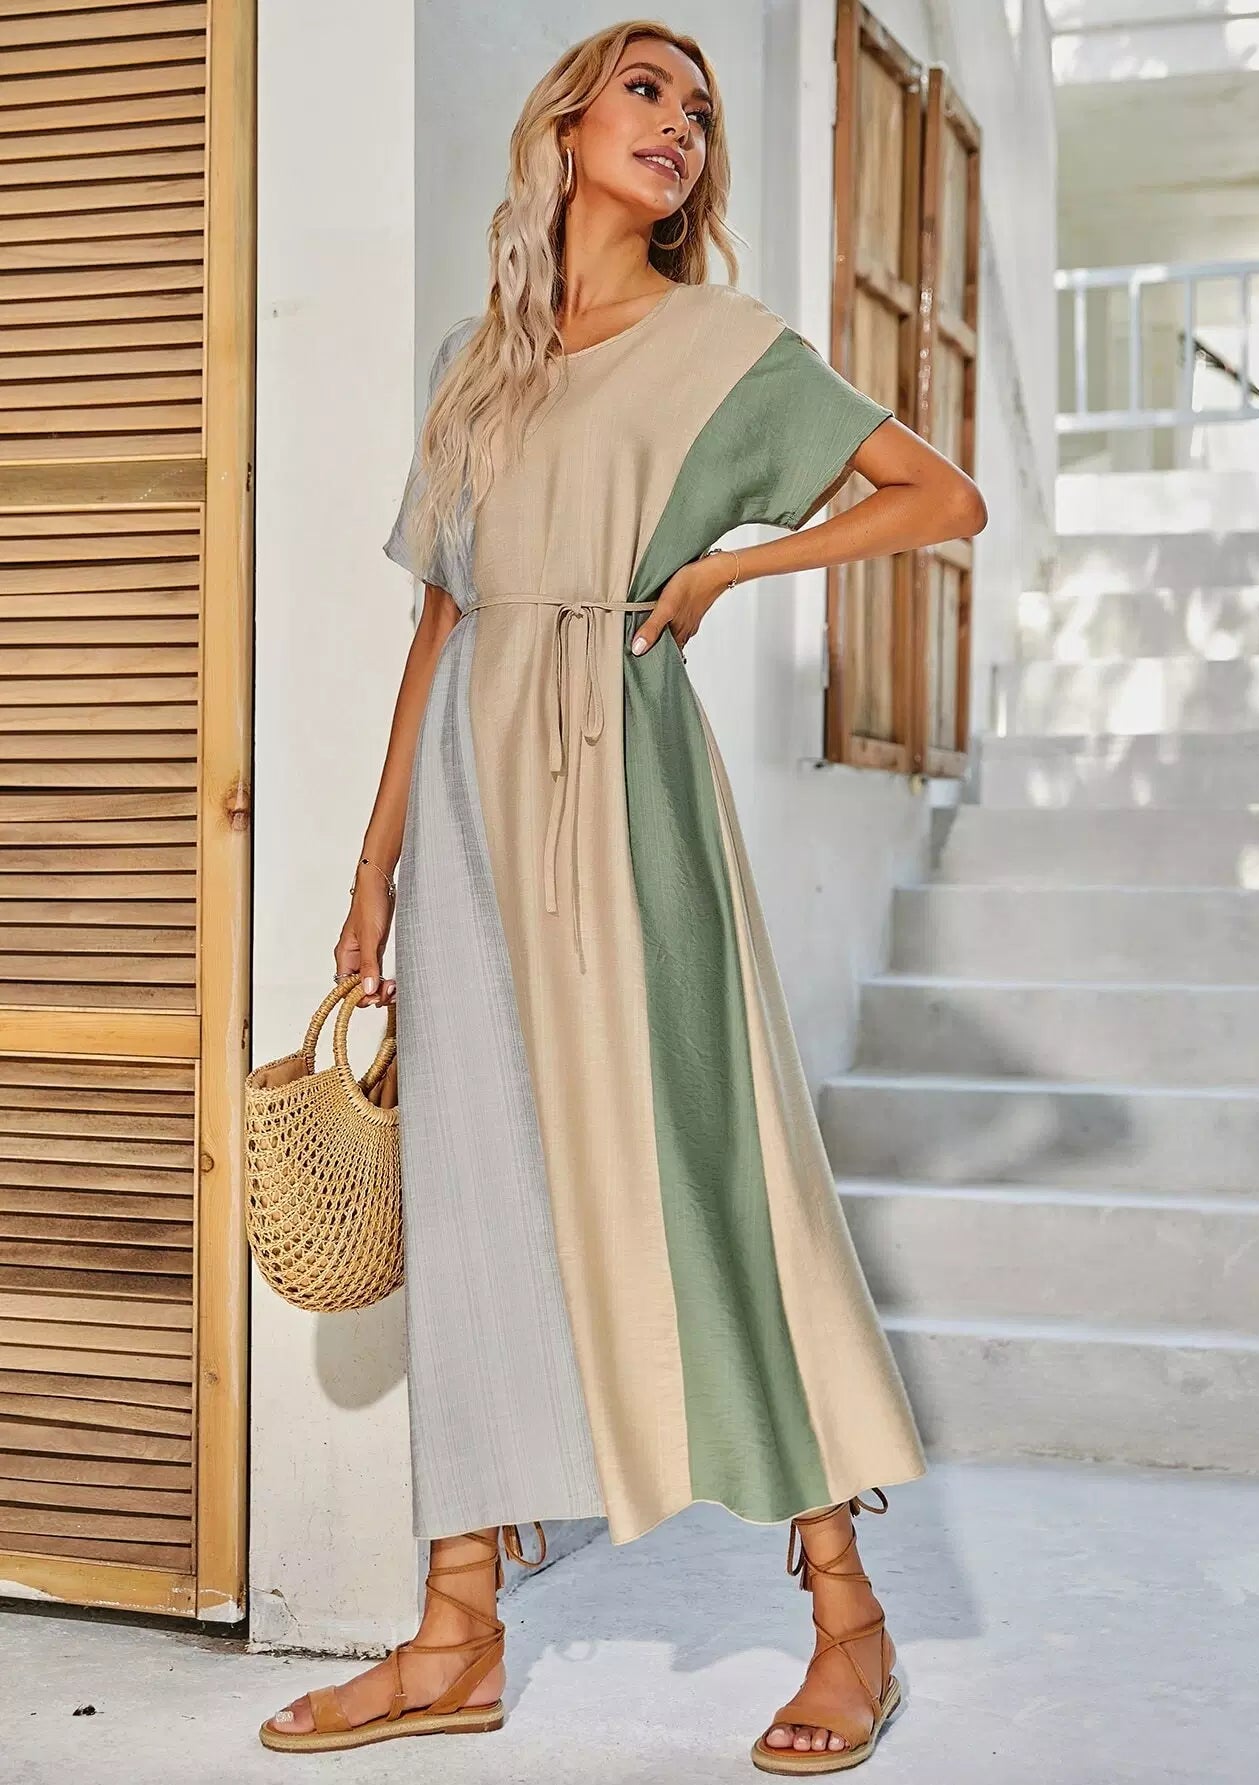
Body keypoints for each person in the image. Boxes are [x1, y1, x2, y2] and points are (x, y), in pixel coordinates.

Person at [259, 17, 986, 1773]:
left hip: (624, 783)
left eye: (702, 111)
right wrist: (371, 868)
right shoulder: (479, 361)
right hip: (467, 804)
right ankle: (455, 1632)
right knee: (477, 1194)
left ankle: (849, 1616)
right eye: (649, 91)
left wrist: (741, 565)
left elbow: (937, 494)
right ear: (569, 123)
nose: (680, 124)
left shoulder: (725, 348)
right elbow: (441, 617)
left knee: (705, 1175)